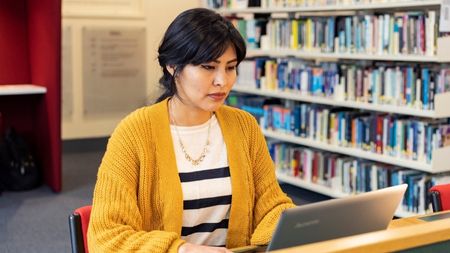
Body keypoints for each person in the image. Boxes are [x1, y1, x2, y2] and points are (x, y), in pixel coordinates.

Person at [87, 7, 295, 253]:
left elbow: (271, 207)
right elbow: (107, 236)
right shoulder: (134, 133)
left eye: (230, 67)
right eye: (208, 67)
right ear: (172, 66)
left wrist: (293, 227)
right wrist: (181, 250)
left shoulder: (244, 127)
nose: (222, 81)